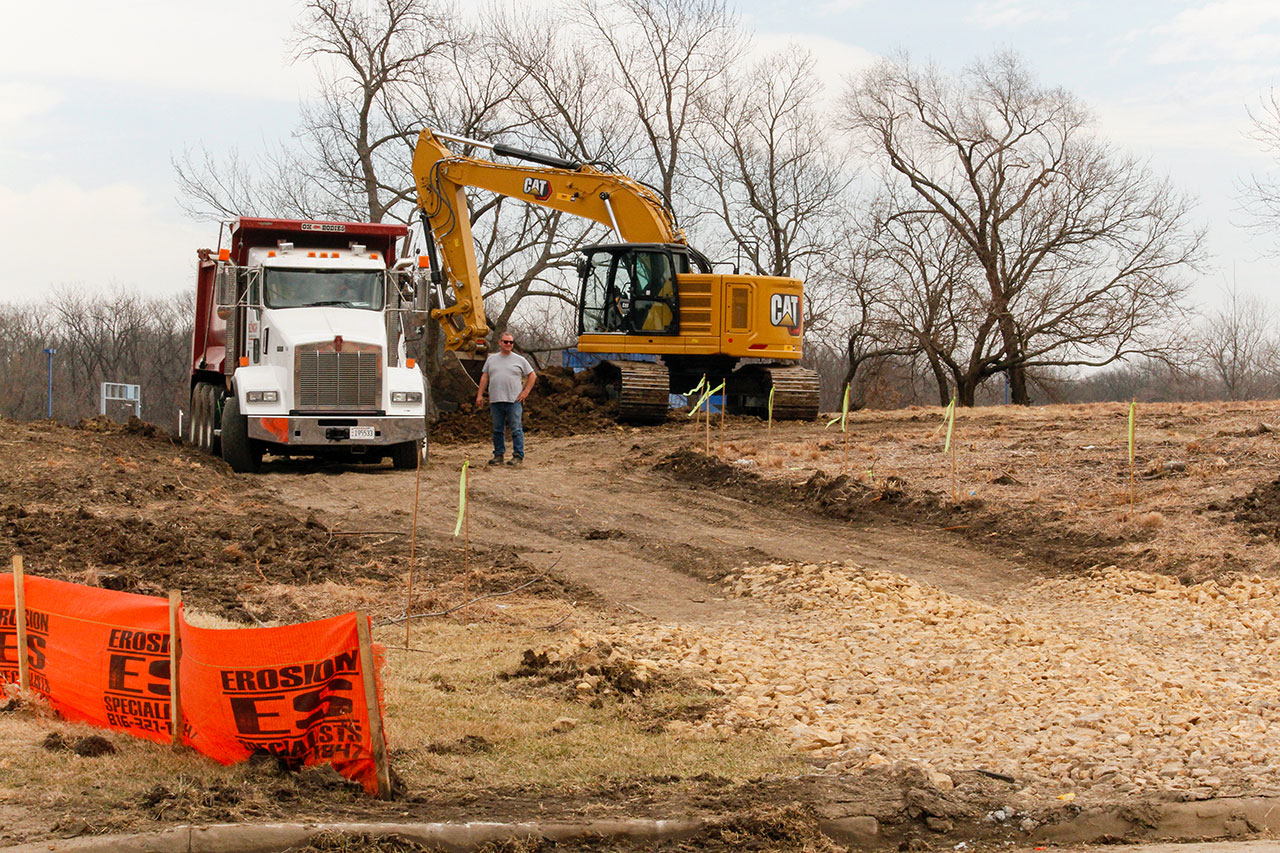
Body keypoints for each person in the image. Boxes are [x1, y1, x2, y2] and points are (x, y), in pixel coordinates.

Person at [475, 333, 537, 465]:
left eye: (511, 342)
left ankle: (518, 456)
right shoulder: (491, 360)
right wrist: (480, 395)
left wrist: (525, 392)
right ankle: (498, 455)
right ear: (500, 343)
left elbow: (532, 375)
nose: (508, 344)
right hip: (496, 400)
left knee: (516, 429)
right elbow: (484, 377)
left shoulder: (519, 360)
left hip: (514, 401)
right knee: (497, 429)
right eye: (506, 342)